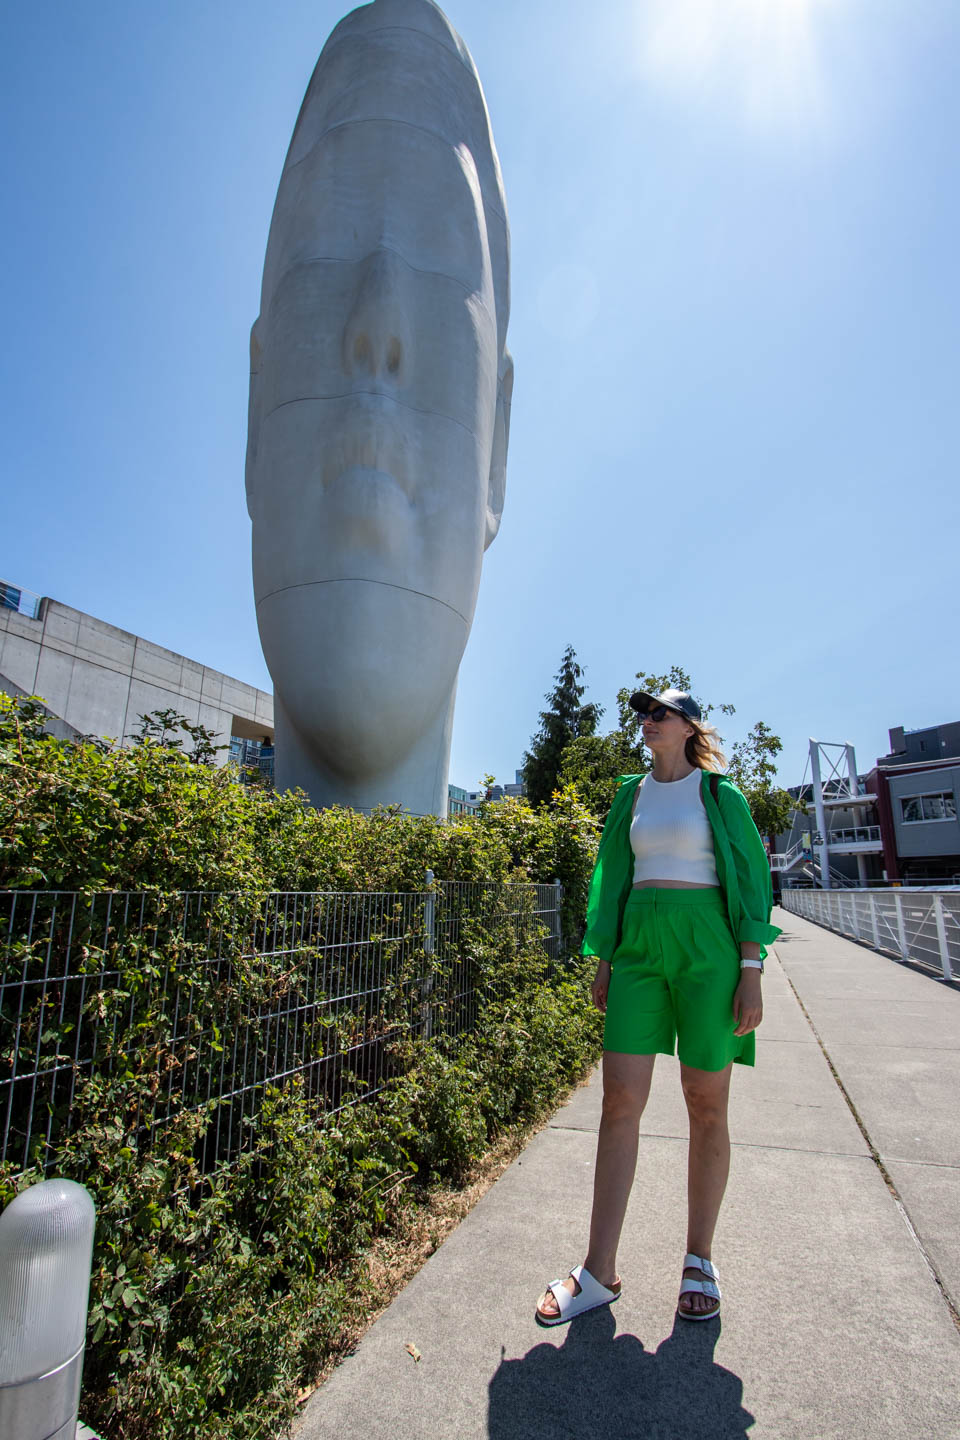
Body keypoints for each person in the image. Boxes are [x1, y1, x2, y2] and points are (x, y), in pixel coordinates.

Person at [535, 688, 781, 1325]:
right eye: (643, 713)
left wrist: (750, 971)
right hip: (640, 944)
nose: (647, 722)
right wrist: (605, 958)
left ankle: (699, 1259)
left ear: (689, 725)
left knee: (706, 1100)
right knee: (620, 1096)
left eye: (659, 713)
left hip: (709, 947)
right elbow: (612, 878)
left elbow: (752, 882)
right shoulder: (630, 795)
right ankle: (598, 1271)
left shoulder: (721, 796)